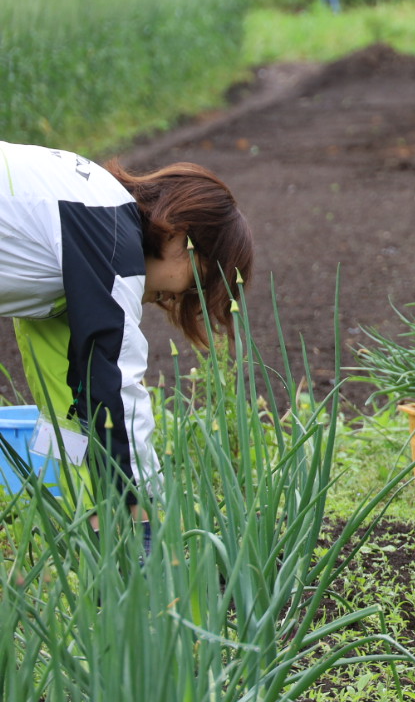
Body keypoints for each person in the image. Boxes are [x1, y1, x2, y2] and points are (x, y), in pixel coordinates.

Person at [0, 141, 253, 510]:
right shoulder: (111, 236)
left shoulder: (91, 214)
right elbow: (116, 390)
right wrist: (145, 512)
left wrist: (95, 523)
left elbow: (69, 411)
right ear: (181, 236)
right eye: (196, 282)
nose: (177, 298)